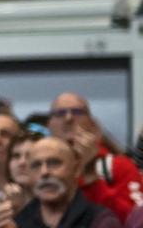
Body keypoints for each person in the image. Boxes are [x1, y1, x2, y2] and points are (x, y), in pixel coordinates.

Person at [47, 94, 143, 222]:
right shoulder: (38, 168)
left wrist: (92, 178)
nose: (68, 118)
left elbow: (133, 220)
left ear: (92, 123)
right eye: (60, 113)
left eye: (77, 112)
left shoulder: (116, 166)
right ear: (49, 124)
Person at [6, 138, 121, 228]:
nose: (44, 172)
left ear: (76, 169)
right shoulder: (19, 221)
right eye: (36, 165)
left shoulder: (100, 220)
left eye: (54, 163)